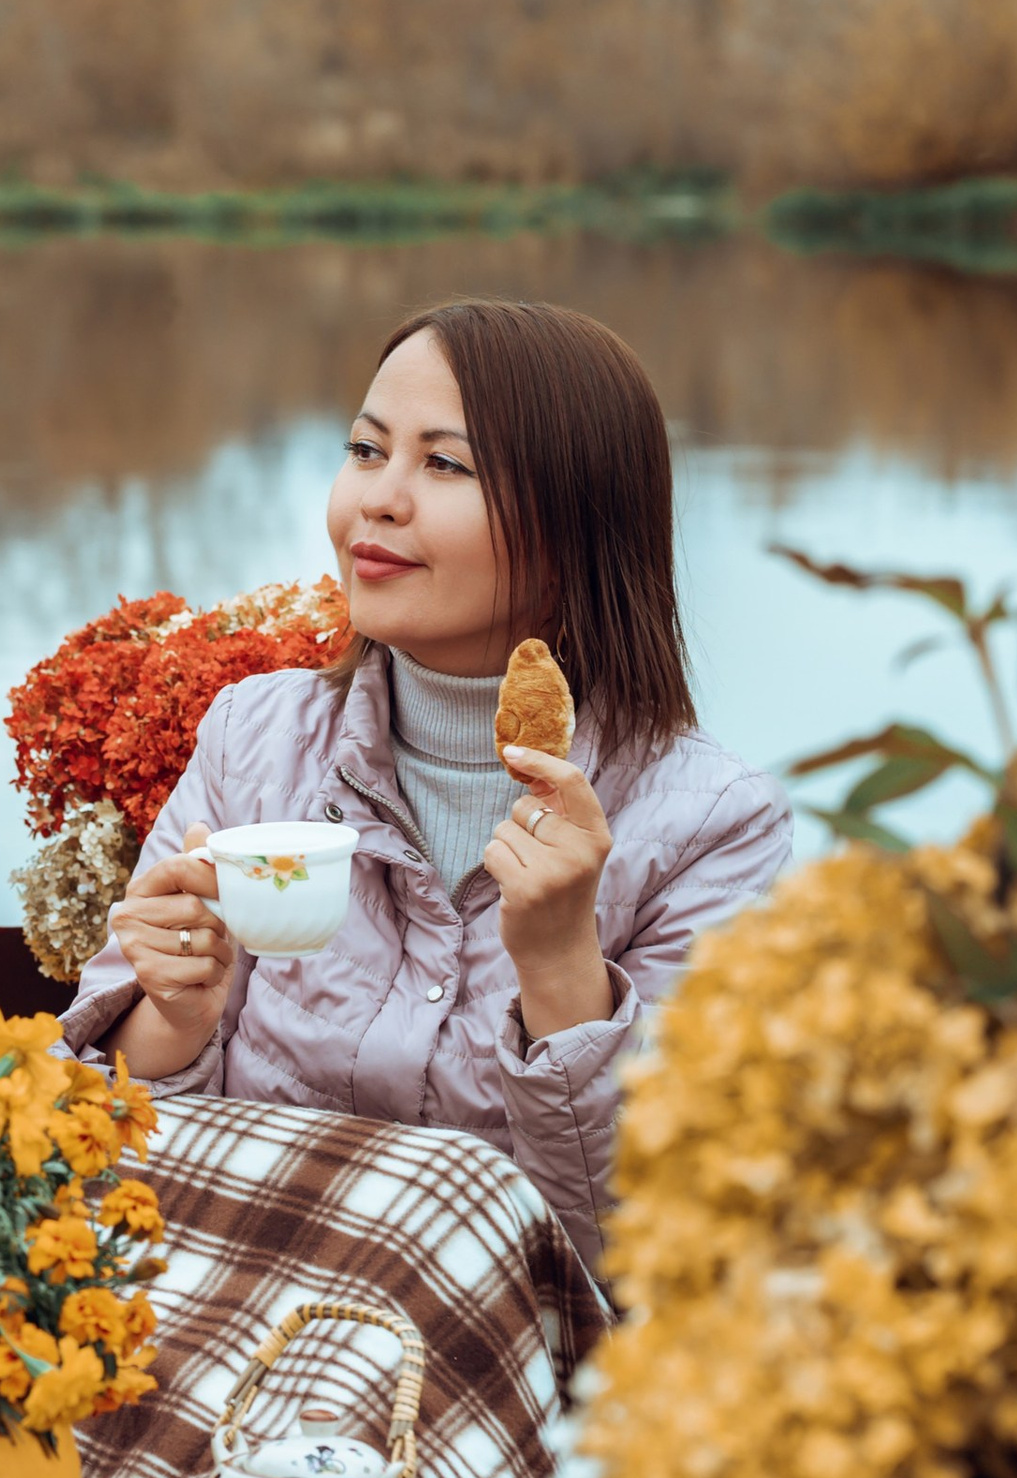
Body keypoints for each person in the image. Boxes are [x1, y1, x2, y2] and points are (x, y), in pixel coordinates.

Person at [57, 298, 791, 1281]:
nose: (379, 498)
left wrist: (564, 972)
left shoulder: (709, 827)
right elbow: (100, 1165)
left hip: (495, 1370)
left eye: (444, 464)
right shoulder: (256, 741)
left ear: (578, 526)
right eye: (366, 450)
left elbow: (654, 1256)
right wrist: (172, 1020)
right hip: (229, 1313)